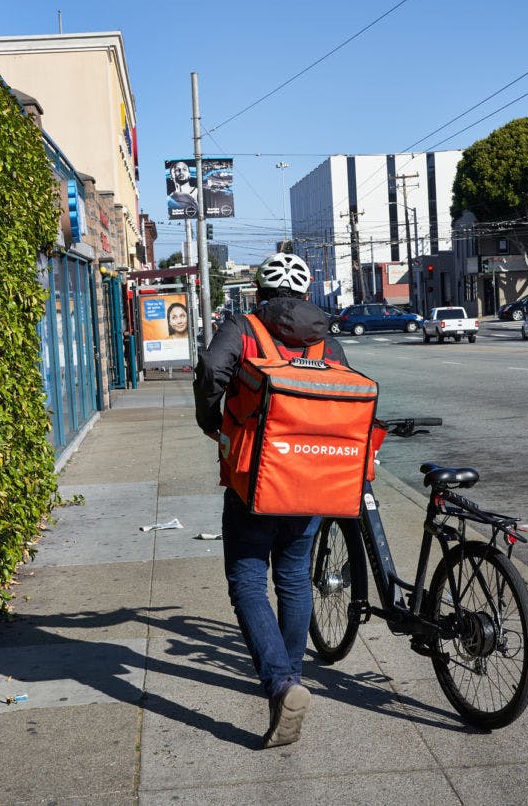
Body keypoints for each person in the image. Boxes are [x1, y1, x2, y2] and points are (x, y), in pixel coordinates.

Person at [193, 252, 346, 749]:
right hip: (313, 479)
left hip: (254, 478)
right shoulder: (325, 338)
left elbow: (212, 369)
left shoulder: (246, 327)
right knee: (294, 577)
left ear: (259, 293)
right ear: (305, 296)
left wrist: (211, 420)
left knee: (246, 579)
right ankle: (292, 676)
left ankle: (281, 684)